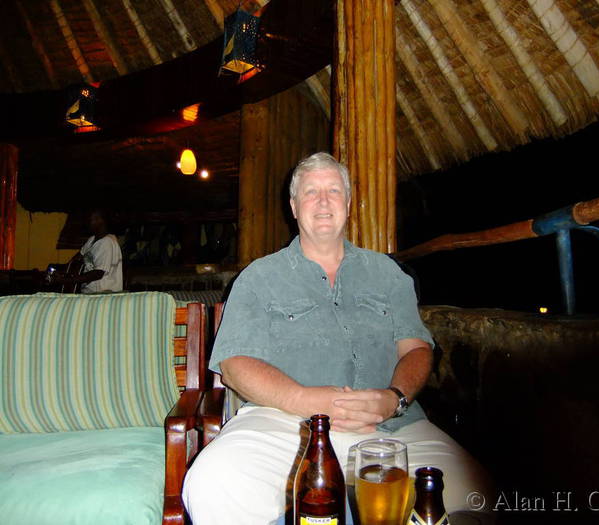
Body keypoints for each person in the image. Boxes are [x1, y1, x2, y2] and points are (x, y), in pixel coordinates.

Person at [183, 153, 491, 524]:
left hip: (392, 427)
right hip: (284, 424)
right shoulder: (259, 277)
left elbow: (416, 348)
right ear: (294, 207)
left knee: (477, 496)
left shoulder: (389, 275)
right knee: (212, 484)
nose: (324, 200)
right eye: (311, 192)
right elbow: (234, 366)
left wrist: (393, 399)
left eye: (333, 190)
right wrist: (306, 400)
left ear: (347, 203)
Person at [56, 209, 123, 293]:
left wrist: (68, 280)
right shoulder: (91, 240)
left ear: (100, 220)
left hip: (103, 293)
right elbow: (76, 259)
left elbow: (98, 273)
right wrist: (60, 270)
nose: (87, 223)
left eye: (90, 220)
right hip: (90, 292)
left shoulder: (107, 243)